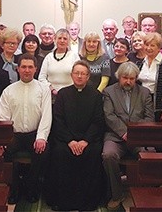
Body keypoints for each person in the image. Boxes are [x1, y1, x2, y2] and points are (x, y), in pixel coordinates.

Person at [47, 60, 106, 211]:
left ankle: (88, 203)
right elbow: (58, 120)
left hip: (89, 140)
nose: (79, 76)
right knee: (59, 152)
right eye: (76, 73)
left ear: (88, 76)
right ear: (72, 75)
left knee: (93, 153)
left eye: (83, 74)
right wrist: (70, 141)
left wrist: (85, 141)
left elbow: (98, 121)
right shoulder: (63, 94)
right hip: (66, 140)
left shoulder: (96, 95)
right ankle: (64, 202)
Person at [0, 54, 52, 204]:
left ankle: (30, 186)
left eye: (30, 67)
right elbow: (2, 116)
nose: (27, 70)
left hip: (35, 134)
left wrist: (41, 138)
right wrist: (1, 138)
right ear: (18, 69)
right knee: (4, 152)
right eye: (24, 67)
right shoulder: (9, 90)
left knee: (43, 152)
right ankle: (14, 188)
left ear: (36, 69)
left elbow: (47, 115)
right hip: (13, 134)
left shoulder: (43, 89)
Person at [102, 61, 153, 209]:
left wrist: (134, 133)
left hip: (139, 138)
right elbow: (109, 116)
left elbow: (149, 118)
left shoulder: (144, 93)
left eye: (132, 78)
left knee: (150, 155)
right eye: (125, 78)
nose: (128, 81)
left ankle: (146, 193)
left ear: (136, 78)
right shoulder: (109, 92)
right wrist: (124, 132)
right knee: (108, 155)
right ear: (119, 77)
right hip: (115, 137)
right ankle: (117, 194)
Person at [38, 28, 80, 103]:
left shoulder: (74, 56)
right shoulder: (49, 57)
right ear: (55, 39)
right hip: (51, 96)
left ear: (69, 41)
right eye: (59, 38)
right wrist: (52, 89)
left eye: (65, 38)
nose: (62, 41)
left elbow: (78, 75)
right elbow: (41, 78)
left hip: (70, 95)